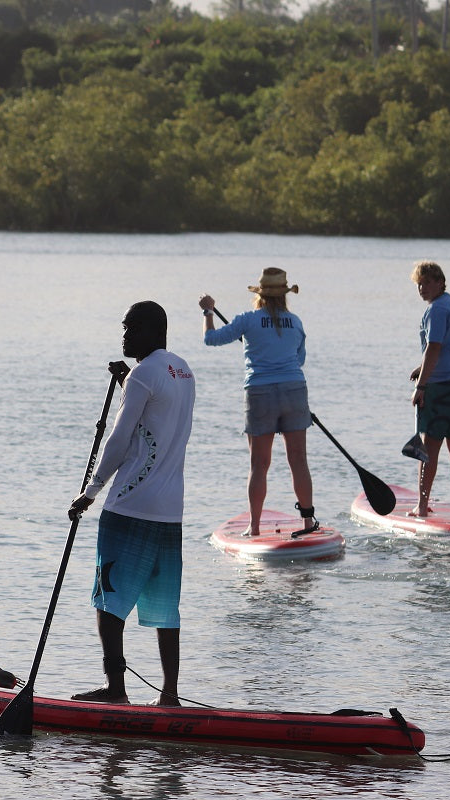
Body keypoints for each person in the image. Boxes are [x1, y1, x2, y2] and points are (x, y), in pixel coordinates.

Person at [67, 301, 195, 706]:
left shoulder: (144, 373)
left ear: (151, 332)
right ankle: (170, 697)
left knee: (109, 600)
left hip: (128, 507)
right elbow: (156, 417)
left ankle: (116, 690)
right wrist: (128, 384)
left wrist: (90, 492)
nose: (123, 337)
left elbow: (120, 440)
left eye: (129, 329)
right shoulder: (183, 370)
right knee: (165, 608)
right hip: (169, 511)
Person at [198, 268, 317, 537]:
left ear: (260, 295)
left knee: (259, 464)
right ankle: (308, 523)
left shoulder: (247, 320)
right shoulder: (296, 322)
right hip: (294, 389)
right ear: (285, 295)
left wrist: (208, 312)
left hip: (259, 392)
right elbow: (298, 360)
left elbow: (211, 339)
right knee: (299, 461)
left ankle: (254, 527)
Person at [408, 260, 450, 518]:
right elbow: (445, 346)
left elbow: (434, 347)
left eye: (427, 282)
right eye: (419, 284)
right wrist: (421, 367)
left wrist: (422, 385)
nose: (422, 288)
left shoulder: (436, 309)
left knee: (429, 446)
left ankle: (422, 506)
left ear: (440, 281)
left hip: (441, 386)